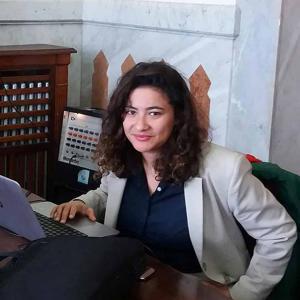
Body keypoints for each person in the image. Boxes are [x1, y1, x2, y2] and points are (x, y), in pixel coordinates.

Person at [50, 61, 297, 300]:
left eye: (154, 113)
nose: (140, 125)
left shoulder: (225, 168)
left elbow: (279, 233)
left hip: (191, 288)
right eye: (131, 112)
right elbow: (106, 194)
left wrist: (242, 295)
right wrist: (83, 203)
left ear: (178, 117)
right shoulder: (125, 156)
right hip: (128, 277)